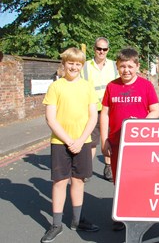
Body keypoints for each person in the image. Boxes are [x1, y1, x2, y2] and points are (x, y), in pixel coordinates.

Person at [41, 47, 100, 243]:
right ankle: (56, 224)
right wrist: (68, 140)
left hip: (83, 141)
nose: (74, 67)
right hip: (60, 142)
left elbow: (93, 116)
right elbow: (51, 118)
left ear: (81, 66)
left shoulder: (87, 86)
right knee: (59, 182)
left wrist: (81, 140)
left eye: (78, 64)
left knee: (78, 181)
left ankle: (77, 219)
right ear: (64, 64)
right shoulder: (56, 87)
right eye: (70, 63)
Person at [100, 48, 159, 231]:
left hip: (140, 144)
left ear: (137, 66)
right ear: (117, 66)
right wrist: (104, 140)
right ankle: (121, 214)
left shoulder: (146, 86)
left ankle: (140, 213)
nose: (126, 70)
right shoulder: (111, 86)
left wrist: (140, 125)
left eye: (130, 66)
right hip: (117, 142)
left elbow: (155, 110)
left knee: (139, 178)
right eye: (122, 66)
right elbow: (105, 114)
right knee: (120, 180)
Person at [81, 37, 119, 182]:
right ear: (94, 49)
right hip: (92, 109)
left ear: (108, 50)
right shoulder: (85, 66)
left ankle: (108, 168)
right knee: (91, 141)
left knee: (109, 138)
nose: (101, 51)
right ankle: (87, 169)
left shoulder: (114, 66)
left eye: (104, 49)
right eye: (98, 48)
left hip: (110, 109)